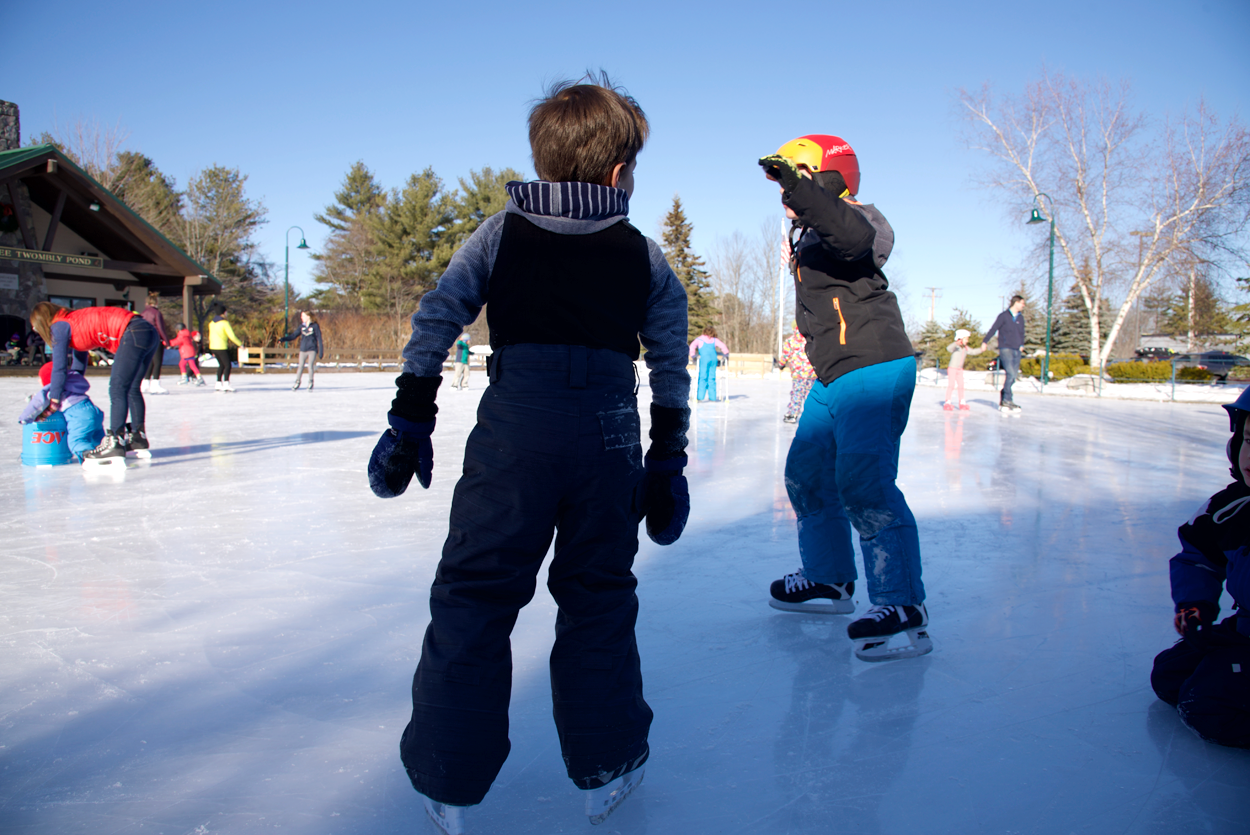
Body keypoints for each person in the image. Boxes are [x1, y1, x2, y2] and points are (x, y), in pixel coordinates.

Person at [367, 76, 690, 833]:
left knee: (476, 591)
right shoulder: (643, 254)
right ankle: (606, 761)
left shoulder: (498, 233)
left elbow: (440, 311)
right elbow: (669, 356)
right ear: (619, 175)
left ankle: (448, 773)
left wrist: (412, 415)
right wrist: (666, 454)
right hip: (609, 429)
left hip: (517, 425)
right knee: (599, 591)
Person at [758, 134, 930, 661]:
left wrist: (805, 193)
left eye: (796, 177)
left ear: (825, 176)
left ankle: (904, 608)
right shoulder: (810, 230)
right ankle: (830, 580)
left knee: (864, 483)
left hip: (875, 366)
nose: (785, 191)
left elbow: (854, 240)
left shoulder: (861, 217)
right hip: (832, 375)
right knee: (806, 474)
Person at [1150, 387, 1250, 748]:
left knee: (1207, 707)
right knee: (1170, 676)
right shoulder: (1230, 507)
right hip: (1244, 630)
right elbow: (1198, 559)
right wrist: (1196, 606)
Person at [28, 301, 160, 463]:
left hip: (132, 330)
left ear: (42, 322)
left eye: (36, 327)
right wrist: (73, 387)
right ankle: (138, 438)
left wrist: (54, 399)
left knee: (118, 388)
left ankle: (115, 442)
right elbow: (78, 366)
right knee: (132, 388)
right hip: (147, 331)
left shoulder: (59, 326)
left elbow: (59, 367)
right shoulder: (74, 322)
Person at [19, 361, 105, 459]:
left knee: (77, 440)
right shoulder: (71, 384)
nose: (39, 381)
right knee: (97, 440)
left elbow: (38, 403)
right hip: (92, 410)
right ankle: (105, 454)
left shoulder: (54, 389)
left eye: (40, 378)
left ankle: (89, 457)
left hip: (78, 415)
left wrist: (25, 417)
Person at [984, 295, 1025, 412]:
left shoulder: (1020, 318)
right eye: (1022, 303)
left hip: (1017, 349)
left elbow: (1022, 332)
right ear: (1016, 303)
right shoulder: (1003, 316)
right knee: (1011, 373)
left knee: (1013, 376)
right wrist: (985, 341)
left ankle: (1004, 398)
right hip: (1005, 348)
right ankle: (1007, 400)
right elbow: (993, 329)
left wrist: (1021, 344)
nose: (1023, 305)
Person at [778, 326, 816, 423]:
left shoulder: (791, 340)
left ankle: (793, 413)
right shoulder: (811, 339)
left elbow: (786, 353)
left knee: (797, 393)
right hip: (812, 372)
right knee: (810, 394)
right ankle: (812, 414)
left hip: (798, 373)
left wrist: (781, 364)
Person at [280, 310, 324, 391]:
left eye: (303, 316)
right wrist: (283, 339)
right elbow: (294, 335)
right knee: (300, 366)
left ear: (308, 317)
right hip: (303, 349)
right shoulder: (302, 326)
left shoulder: (315, 326)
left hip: (312, 349)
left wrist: (321, 351)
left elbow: (319, 339)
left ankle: (310, 382)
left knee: (310, 366)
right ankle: (297, 382)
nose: (301, 317)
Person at [944, 329, 986, 411]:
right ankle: (947, 402)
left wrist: (981, 349)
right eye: (966, 339)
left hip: (960, 369)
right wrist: (956, 343)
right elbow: (948, 348)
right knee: (951, 385)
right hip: (952, 368)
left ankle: (962, 402)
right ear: (960, 338)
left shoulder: (965, 348)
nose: (967, 340)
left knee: (961, 385)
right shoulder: (956, 347)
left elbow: (973, 352)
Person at [206, 303, 242, 392]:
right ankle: (226, 383)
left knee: (221, 365)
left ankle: (218, 383)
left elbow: (210, 336)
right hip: (221, 347)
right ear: (224, 313)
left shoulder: (211, 323)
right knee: (227, 365)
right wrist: (240, 344)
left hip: (213, 347)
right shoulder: (224, 323)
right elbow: (232, 336)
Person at [140, 291, 170, 395]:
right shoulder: (157, 313)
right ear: (156, 302)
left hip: (146, 339)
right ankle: (155, 384)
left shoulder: (143, 313)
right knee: (157, 362)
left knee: (148, 361)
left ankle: (145, 383)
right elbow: (160, 328)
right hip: (156, 339)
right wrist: (166, 341)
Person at [688, 325, 728, 401]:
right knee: (711, 378)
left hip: (704, 360)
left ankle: (700, 397)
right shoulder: (714, 340)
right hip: (713, 359)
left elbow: (692, 346)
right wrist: (726, 353)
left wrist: (693, 355)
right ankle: (712, 398)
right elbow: (723, 346)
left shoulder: (700, 339)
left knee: (703, 377)